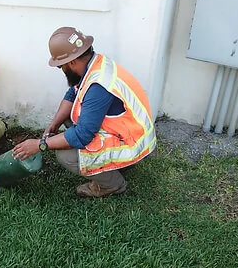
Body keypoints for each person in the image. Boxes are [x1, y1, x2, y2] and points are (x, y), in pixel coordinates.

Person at [13, 27, 156, 197]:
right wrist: (54, 124)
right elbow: (73, 93)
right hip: (129, 132)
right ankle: (115, 166)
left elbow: (82, 135)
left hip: (133, 144)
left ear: (72, 62)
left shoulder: (98, 87)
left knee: (67, 156)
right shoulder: (95, 64)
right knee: (69, 119)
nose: (62, 70)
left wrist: (40, 145)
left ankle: (114, 184)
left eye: (61, 66)